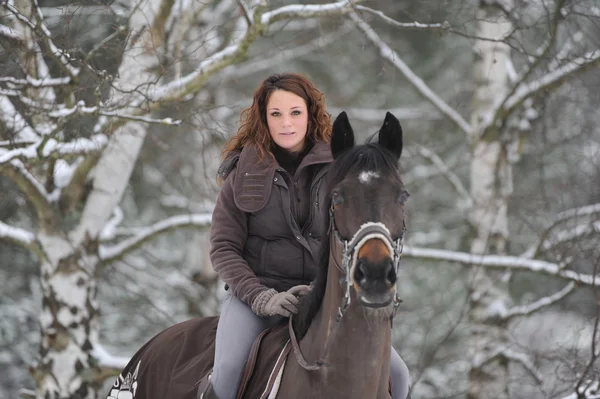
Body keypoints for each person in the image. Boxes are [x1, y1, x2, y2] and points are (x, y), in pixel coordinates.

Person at [207, 73, 410, 399]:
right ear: (263, 117)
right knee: (228, 372)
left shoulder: (341, 169)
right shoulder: (241, 174)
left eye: (295, 112)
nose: (286, 123)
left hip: (324, 299)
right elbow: (223, 247)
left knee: (399, 377)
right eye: (276, 114)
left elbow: (361, 234)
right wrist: (263, 297)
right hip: (255, 299)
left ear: (310, 114)